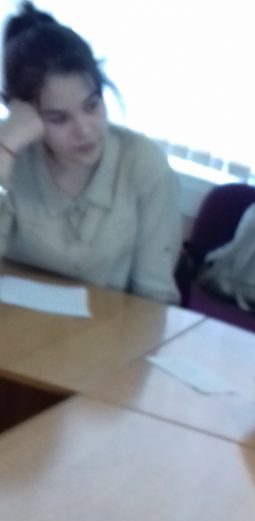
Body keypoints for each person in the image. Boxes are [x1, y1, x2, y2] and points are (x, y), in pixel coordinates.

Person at [0, 2, 181, 304]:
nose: (84, 130)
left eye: (92, 105)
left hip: (107, 330)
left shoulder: (143, 164)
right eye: (59, 118)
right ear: (23, 114)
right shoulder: (12, 150)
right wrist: (5, 150)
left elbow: (155, 298)